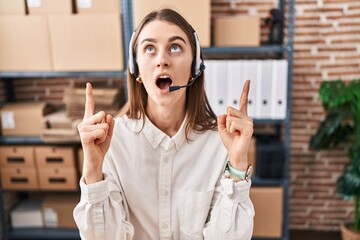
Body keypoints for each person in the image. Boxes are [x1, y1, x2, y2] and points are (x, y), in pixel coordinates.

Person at [73, 8, 254, 240]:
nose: (162, 60)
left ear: (194, 67)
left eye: (175, 47)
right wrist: (93, 170)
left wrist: (237, 167)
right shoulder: (112, 141)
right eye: (150, 49)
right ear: (136, 69)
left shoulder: (220, 143)